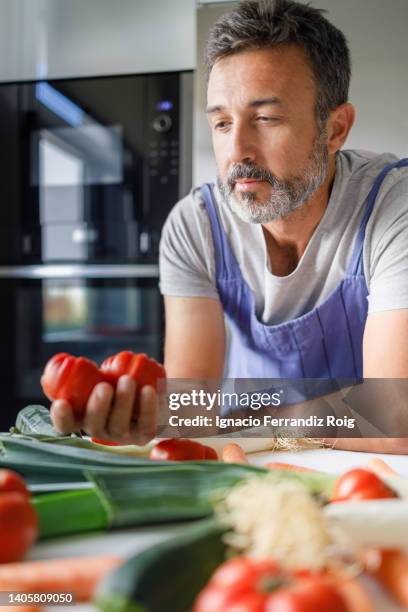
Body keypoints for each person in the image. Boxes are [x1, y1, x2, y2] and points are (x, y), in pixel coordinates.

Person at [51, 0, 408, 453]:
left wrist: (250, 420)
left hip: (374, 482)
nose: (237, 150)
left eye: (265, 118)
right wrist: (144, 417)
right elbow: (191, 408)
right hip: (244, 465)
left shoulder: (396, 207)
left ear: (335, 129)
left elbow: (395, 413)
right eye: (221, 123)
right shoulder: (194, 226)